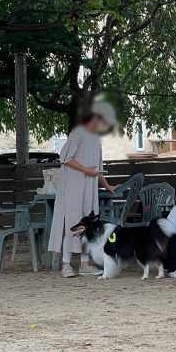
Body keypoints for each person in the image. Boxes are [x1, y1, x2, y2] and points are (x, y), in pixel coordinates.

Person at [48, 100, 117, 277]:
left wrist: (108, 185)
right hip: (73, 188)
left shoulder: (96, 140)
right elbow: (65, 158)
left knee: (89, 223)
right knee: (72, 223)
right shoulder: (78, 133)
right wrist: (86, 170)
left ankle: (85, 264)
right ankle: (66, 265)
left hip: (89, 188)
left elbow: (98, 168)